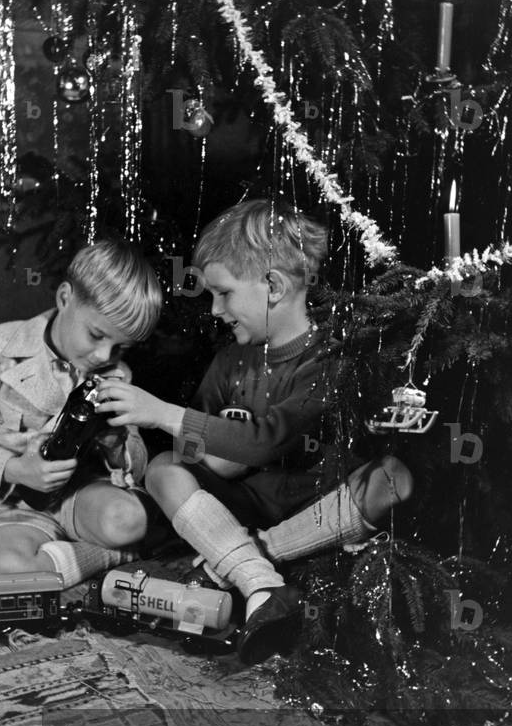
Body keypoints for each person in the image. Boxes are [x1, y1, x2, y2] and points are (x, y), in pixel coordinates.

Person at [96, 199, 412, 664]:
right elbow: (193, 446)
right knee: (163, 469)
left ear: (274, 286)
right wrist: (211, 452)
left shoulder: (331, 359)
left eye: (223, 293)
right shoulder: (230, 360)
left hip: (313, 508)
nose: (215, 309)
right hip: (241, 506)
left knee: (393, 477)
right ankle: (260, 582)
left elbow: (269, 440)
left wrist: (163, 413)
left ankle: (252, 558)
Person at [0, 237, 163, 588]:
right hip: (12, 506)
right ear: (65, 298)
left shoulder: (116, 373)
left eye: (121, 347)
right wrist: (16, 469)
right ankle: (116, 556)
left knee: (129, 519)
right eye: (96, 335)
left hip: (82, 495)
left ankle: (62, 562)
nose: (104, 356)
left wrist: (116, 446)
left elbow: (137, 463)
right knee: (5, 570)